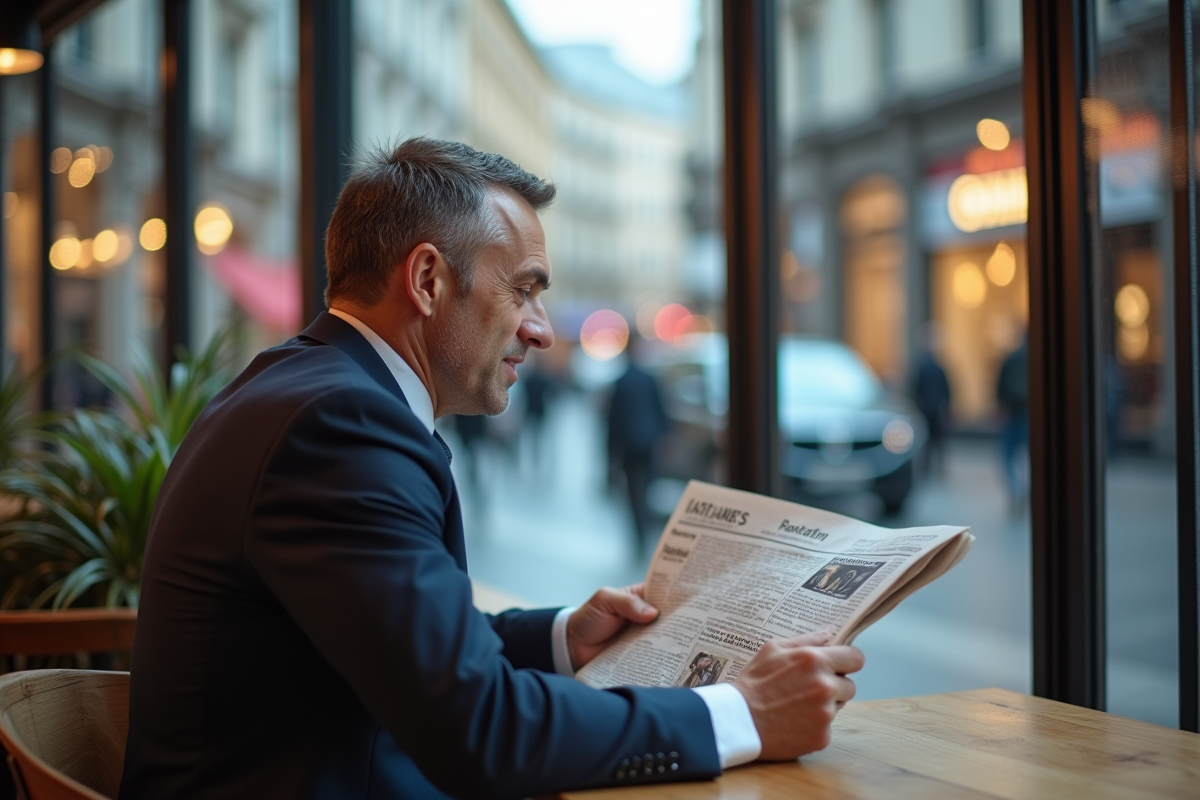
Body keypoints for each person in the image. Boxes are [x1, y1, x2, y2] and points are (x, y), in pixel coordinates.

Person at [119, 138, 864, 799]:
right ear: (428, 281)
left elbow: (401, 641)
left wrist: (564, 638)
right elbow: (479, 731)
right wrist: (741, 714)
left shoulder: (307, 387)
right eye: (525, 289)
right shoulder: (343, 426)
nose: (541, 330)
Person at [607, 333, 671, 551]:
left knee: (635, 490)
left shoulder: (621, 381)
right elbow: (661, 410)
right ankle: (645, 528)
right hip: (648, 442)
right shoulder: (649, 378)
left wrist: (610, 455)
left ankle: (640, 532)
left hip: (629, 444)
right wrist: (664, 436)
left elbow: (613, 421)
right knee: (646, 487)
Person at [910, 323, 952, 477]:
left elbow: (946, 389)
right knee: (933, 441)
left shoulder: (927, 366)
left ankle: (930, 468)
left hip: (930, 409)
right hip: (931, 409)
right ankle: (932, 468)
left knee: (933, 441)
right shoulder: (929, 366)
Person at [996, 336, 1029, 509]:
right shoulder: (1033, 359)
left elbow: (999, 386)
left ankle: (1016, 488)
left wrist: (1000, 407)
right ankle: (1023, 488)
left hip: (1012, 414)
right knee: (1025, 456)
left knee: (1008, 456)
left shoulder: (1011, 359)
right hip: (1028, 415)